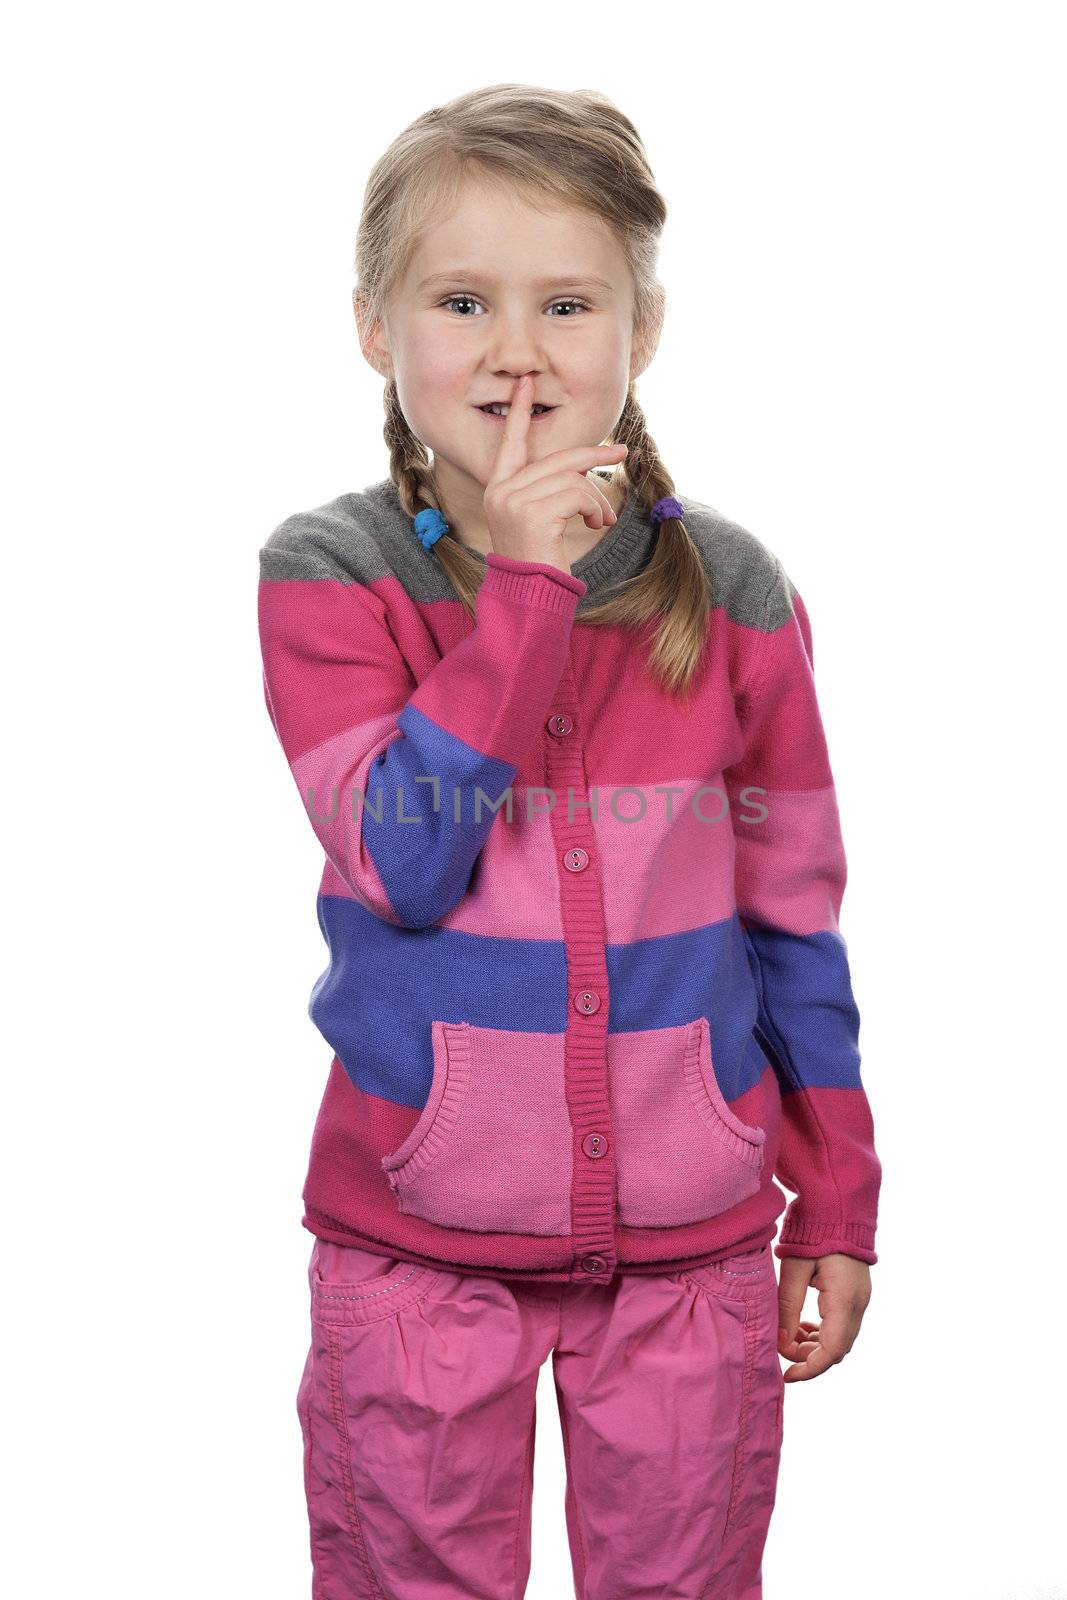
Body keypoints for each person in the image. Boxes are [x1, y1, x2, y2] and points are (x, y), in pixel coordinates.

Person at [257, 82, 882, 1600]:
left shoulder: (731, 591)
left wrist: (839, 1190)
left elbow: (793, 917)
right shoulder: (331, 576)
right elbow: (402, 857)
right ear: (374, 327)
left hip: (692, 1253)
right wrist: (525, 594)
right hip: (415, 1247)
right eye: (463, 300)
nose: (519, 351)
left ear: (641, 334)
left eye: (569, 302)